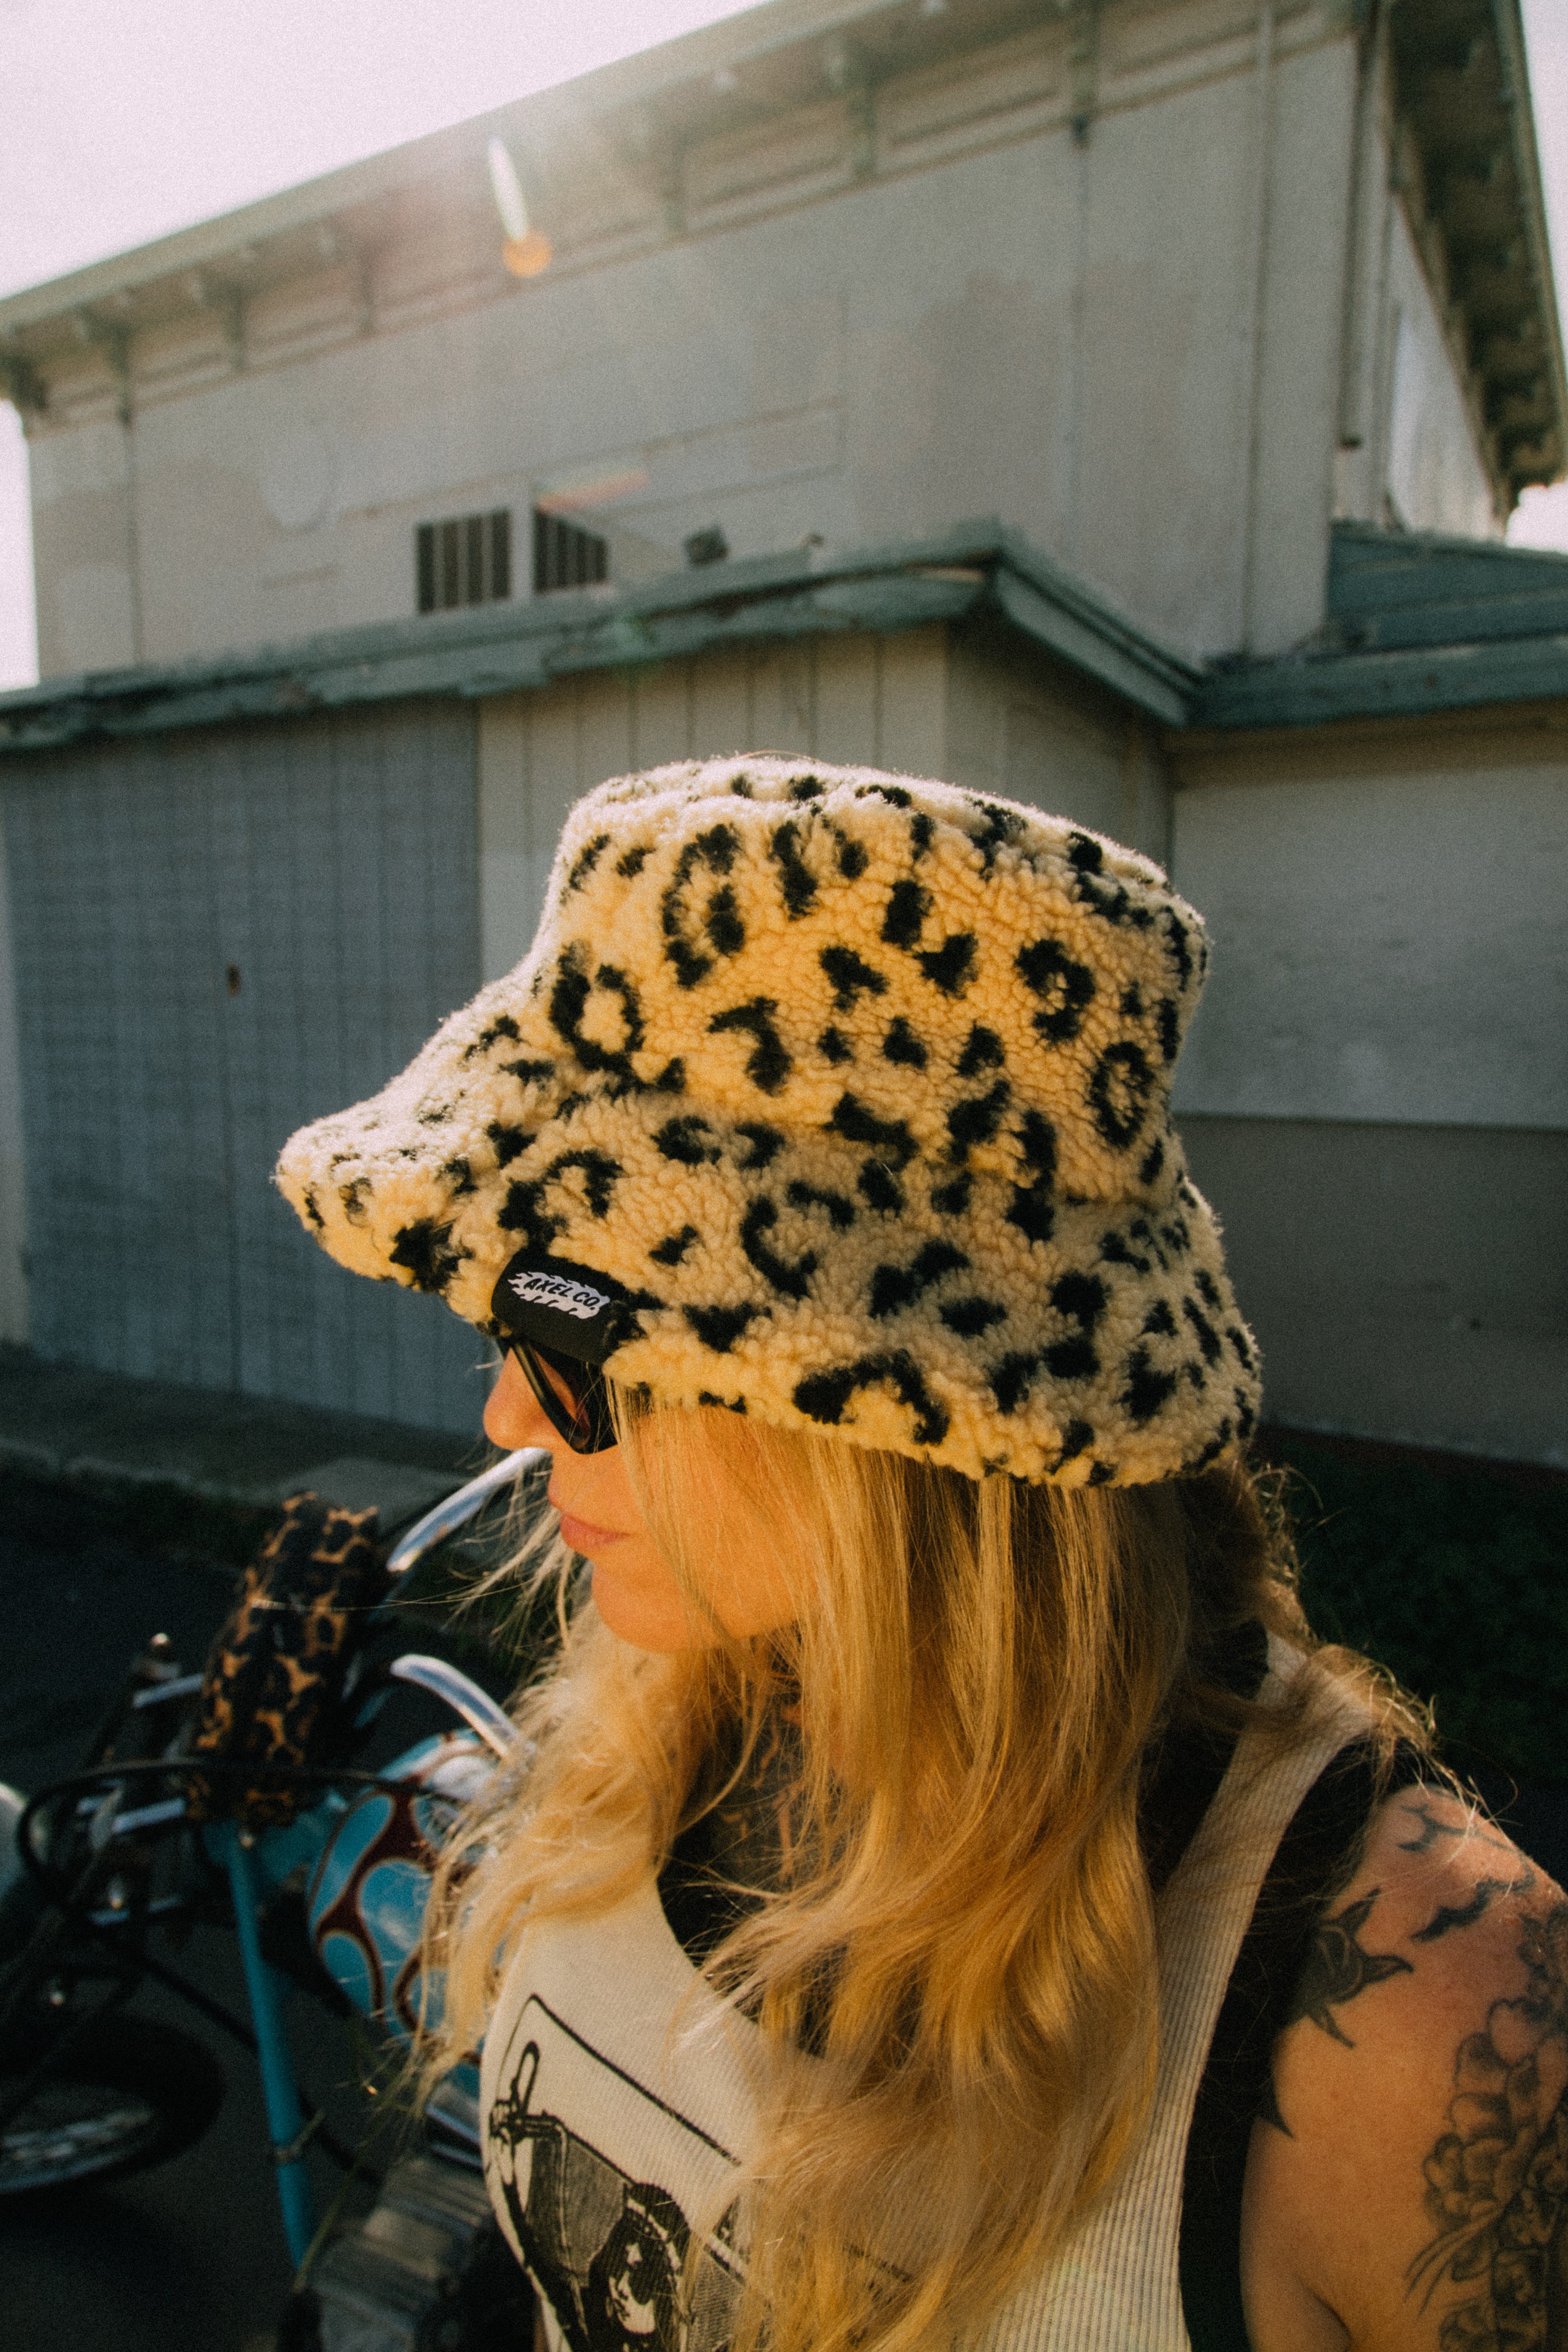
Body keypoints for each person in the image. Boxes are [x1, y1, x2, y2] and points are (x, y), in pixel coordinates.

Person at [278, 755, 1562, 2352]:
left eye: (572, 1334)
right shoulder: (662, 1703)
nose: (505, 1421)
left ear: (887, 1416)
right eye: (503, 1322)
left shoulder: (1422, 2023)